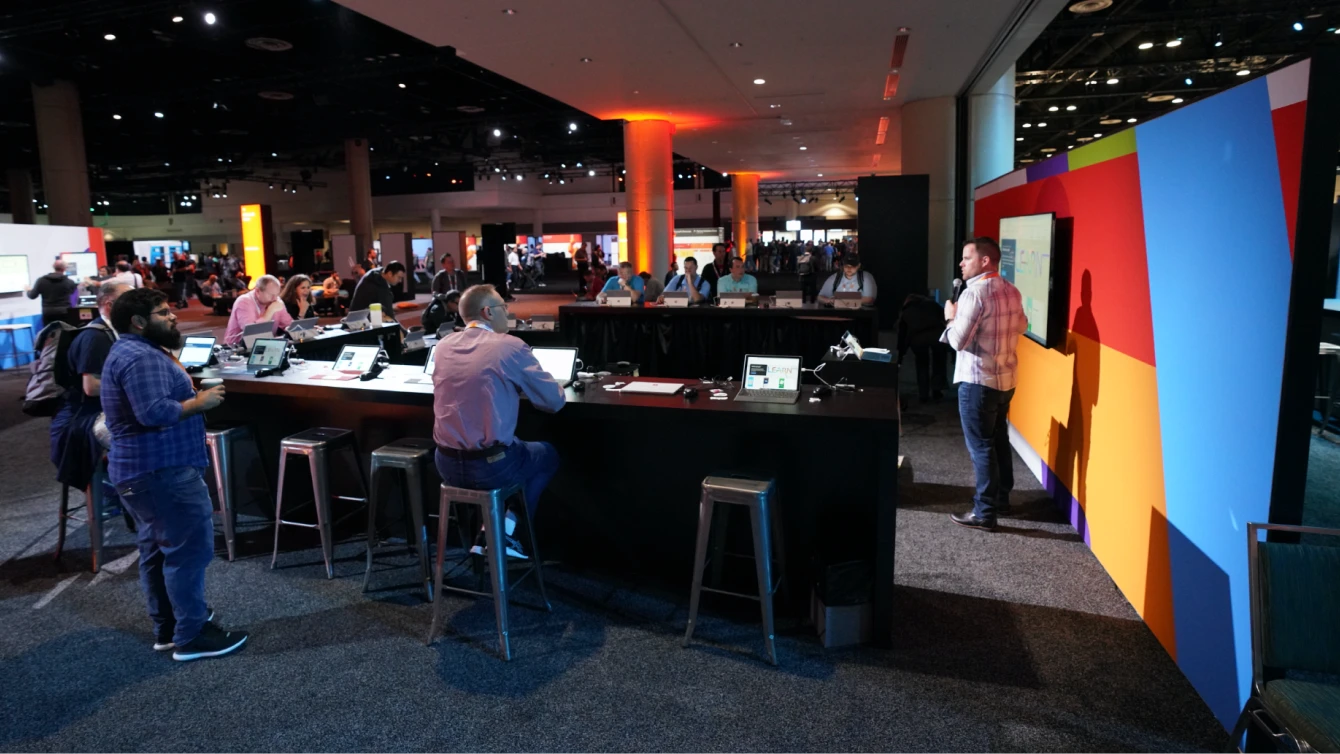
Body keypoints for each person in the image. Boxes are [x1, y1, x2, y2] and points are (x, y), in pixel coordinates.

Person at [101, 287, 248, 660]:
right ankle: (191, 635)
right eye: (163, 313)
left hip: (145, 473)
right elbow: (152, 413)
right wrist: (200, 402)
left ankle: (170, 627)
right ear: (138, 322)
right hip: (161, 471)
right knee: (188, 552)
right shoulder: (141, 357)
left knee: (159, 552)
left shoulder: (135, 351)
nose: (173, 317)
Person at [432, 285, 565, 559]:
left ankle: (484, 533)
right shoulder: (509, 346)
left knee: (514, 450)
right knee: (547, 455)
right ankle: (506, 530)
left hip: (445, 464)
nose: (508, 312)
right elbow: (553, 402)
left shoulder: (443, 346)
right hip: (490, 466)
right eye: (504, 307)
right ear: (487, 312)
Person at [942, 237, 1029, 531]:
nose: (961, 263)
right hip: (1006, 380)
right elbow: (1022, 326)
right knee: (998, 440)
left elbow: (958, 341)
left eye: (966, 258)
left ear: (985, 261)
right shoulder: (1011, 290)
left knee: (981, 447)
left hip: (978, 382)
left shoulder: (973, 294)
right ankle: (1001, 499)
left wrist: (950, 318)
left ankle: (985, 512)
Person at [50, 281, 128, 494]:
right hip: (80, 421)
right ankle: (128, 495)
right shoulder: (96, 337)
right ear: (110, 305)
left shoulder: (112, 333)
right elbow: (91, 387)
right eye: (128, 300)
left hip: (95, 412)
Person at [898, 292, 950, 402]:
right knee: (939, 363)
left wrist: (901, 353)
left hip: (918, 339)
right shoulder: (932, 304)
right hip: (938, 336)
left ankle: (923, 395)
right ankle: (937, 391)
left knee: (922, 364)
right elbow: (946, 318)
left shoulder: (906, 310)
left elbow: (902, 334)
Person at [223, 274, 292, 345]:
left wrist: (292, 329)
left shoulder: (276, 300)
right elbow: (252, 333)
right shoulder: (244, 301)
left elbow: (288, 324)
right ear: (257, 291)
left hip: (265, 345)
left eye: (277, 294)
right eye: (271, 295)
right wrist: (270, 311)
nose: (274, 298)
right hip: (236, 349)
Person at [27, 260, 78, 327]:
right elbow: (72, 292)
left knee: (49, 333)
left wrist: (28, 290)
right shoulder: (69, 282)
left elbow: (32, 296)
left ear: (53, 267)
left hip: (48, 312)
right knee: (66, 333)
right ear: (64, 269)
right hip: (64, 312)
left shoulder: (41, 281)